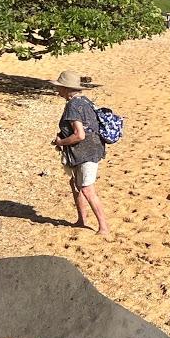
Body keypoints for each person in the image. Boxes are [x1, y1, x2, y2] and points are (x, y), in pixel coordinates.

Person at [49, 70, 110, 236]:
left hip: (85, 152)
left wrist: (61, 142)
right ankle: (81, 220)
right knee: (75, 184)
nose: (57, 90)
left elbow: (79, 134)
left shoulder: (72, 106)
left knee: (87, 189)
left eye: (60, 87)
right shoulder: (85, 101)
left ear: (67, 89)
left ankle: (103, 227)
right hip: (92, 148)